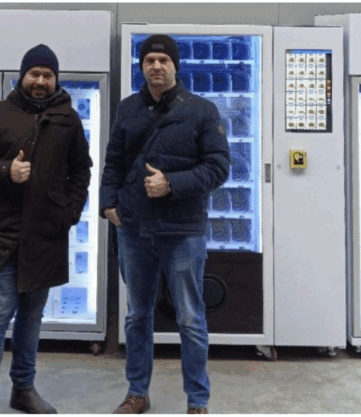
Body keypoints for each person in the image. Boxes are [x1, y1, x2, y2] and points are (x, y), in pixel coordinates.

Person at [100, 34, 230, 415]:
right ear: (142, 66)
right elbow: (113, 161)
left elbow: (219, 167)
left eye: (163, 60)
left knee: (190, 317)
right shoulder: (127, 108)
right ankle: (137, 394)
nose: (156, 66)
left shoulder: (202, 111)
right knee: (137, 316)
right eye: (149, 61)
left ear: (175, 66)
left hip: (182, 231)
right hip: (133, 229)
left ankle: (197, 401)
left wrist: (171, 183)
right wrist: (108, 204)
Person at [0, 44, 93, 414]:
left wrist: (69, 212)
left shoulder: (68, 119)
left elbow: (81, 170)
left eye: (47, 75)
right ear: (23, 76)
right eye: (34, 74)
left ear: (56, 79)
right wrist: (7, 170)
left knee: (32, 318)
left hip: (45, 235)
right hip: (2, 234)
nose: (40, 81)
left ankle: (23, 390)